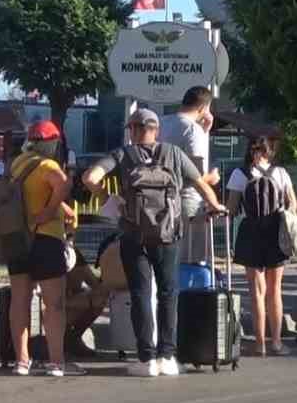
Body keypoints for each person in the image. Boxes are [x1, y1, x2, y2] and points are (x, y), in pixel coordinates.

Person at [82, 109, 227, 377]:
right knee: (168, 293)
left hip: (132, 234)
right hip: (168, 234)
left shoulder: (122, 155)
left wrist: (109, 198)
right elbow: (200, 184)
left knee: (140, 293)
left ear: (132, 130)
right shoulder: (173, 153)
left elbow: (89, 177)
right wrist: (216, 205)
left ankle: (146, 359)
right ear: (156, 130)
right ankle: (167, 357)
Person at [3, 121, 76, 377]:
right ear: (51, 142)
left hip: (17, 238)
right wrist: (49, 211)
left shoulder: (17, 163)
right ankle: (56, 361)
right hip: (46, 238)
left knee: (20, 301)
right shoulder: (48, 165)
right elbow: (63, 184)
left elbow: (27, 193)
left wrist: (57, 206)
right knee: (53, 303)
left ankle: (22, 360)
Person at [224, 138, 297, 357]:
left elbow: (231, 208)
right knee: (275, 290)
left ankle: (260, 344)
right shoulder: (281, 173)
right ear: (269, 152)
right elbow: (292, 204)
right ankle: (276, 342)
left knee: (256, 291)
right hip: (276, 231)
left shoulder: (240, 174)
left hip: (250, 232)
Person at [159, 87, 220, 264]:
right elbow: (195, 176)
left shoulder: (162, 123)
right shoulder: (193, 130)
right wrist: (211, 178)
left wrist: (205, 131)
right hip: (187, 203)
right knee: (191, 259)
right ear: (203, 108)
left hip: (160, 200)